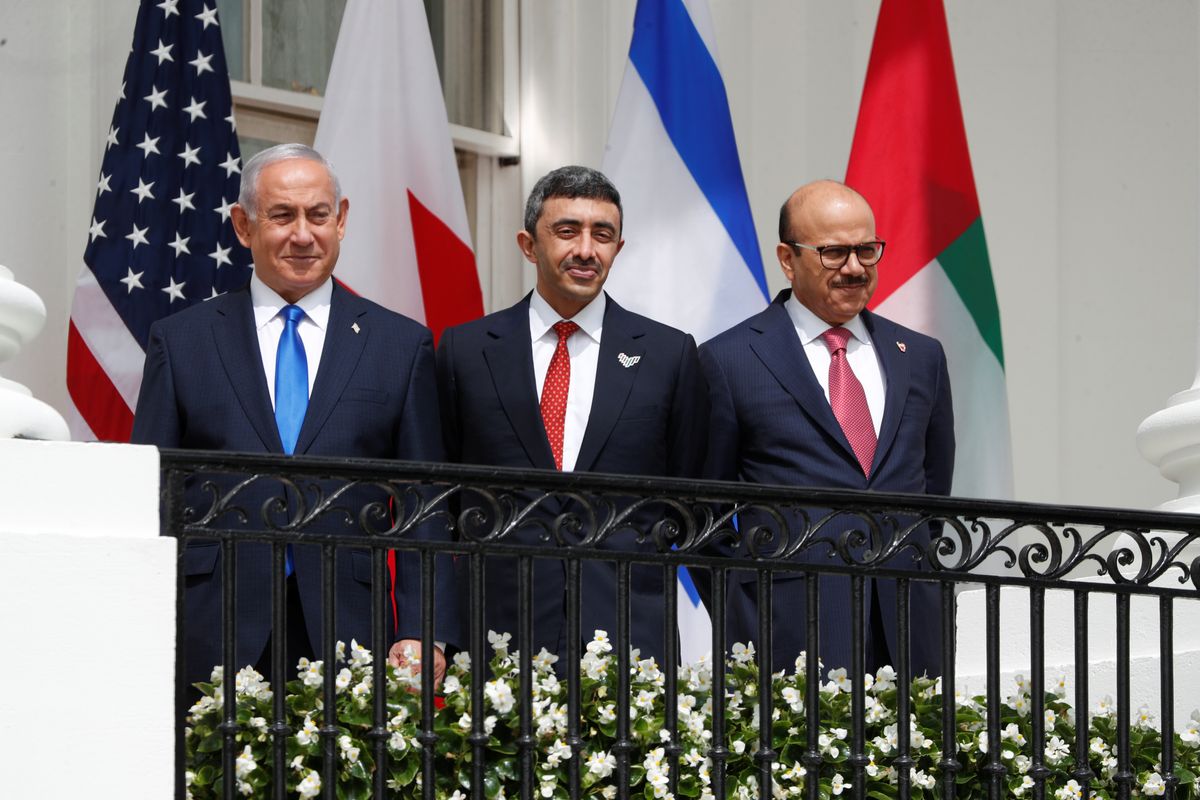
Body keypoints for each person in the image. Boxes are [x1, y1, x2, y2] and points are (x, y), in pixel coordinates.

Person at [131, 143, 456, 688]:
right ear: (243, 225)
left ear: (342, 219)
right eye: (282, 215)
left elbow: (426, 502)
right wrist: (141, 618)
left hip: (351, 628)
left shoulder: (400, 346)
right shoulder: (182, 341)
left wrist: (424, 627)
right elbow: (152, 496)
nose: (303, 235)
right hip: (208, 625)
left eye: (318, 215)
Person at [436, 165, 709, 665]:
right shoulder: (466, 350)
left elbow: (690, 498)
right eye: (567, 231)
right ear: (527, 244)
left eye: (602, 235)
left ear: (618, 248)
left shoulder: (670, 355)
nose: (586, 249)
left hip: (628, 632)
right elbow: (443, 499)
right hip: (496, 632)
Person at [700, 179, 954, 677]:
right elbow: (702, 519)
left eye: (867, 250)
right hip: (789, 631)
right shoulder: (728, 360)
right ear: (787, 258)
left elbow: (933, 497)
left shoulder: (921, 357)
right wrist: (743, 614)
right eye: (835, 252)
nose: (855, 268)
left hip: (909, 630)